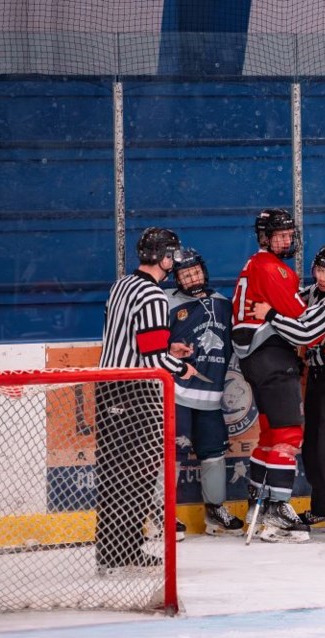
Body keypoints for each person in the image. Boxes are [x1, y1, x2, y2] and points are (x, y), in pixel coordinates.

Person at [95, 227, 199, 572]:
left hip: (107, 385)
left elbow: (138, 341)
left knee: (113, 473)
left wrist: (168, 350)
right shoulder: (154, 297)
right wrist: (181, 366)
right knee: (136, 473)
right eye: (172, 254)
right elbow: (154, 362)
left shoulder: (122, 284)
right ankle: (123, 553)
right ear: (164, 257)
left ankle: (110, 552)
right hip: (133, 390)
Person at [250, 244, 325, 542]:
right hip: (317, 377)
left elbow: (303, 332)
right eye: (320, 270)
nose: (323, 276)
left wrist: (270, 314)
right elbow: (293, 306)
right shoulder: (312, 293)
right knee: (313, 447)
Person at [231, 208, 310, 543]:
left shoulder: (255, 265)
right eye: (279, 234)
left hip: (256, 360)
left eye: (289, 233)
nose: (286, 239)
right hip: (272, 356)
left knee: (270, 434)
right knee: (289, 435)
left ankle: (257, 506)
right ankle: (277, 509)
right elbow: (298, 317)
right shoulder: (272, 268)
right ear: (264, 237)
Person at [166, 248, 243, 537]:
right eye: (185, 274)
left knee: (214, 454)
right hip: (177, 392)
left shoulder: (223, 303)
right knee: (172, 453)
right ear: (177, 277)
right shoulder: (166, 303)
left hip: (211, 397)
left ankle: (214, 510)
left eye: (195, 271)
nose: (192, 277)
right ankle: (165, 514)